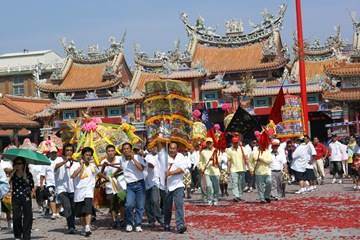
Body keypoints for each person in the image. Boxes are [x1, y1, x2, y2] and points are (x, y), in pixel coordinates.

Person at [70, 147, 99, 237]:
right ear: (82, 155)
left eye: (90, 155)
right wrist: (81, 166)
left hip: (88, 191)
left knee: (88, 209)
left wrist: (107, 178)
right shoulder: (75, 164)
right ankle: (84, 227)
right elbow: (73, 175)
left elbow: (98, 173)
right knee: (81, 213)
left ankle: (87, 226)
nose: (88, 157)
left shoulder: (92, 166)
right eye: (87, 155)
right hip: (79, 192)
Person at [120, 142, 146, 232]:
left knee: (140, 206)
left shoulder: (138, 157)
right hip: (130, 185)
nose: (126, 150)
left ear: (131, 149)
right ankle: (129, 223)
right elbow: (121, 169)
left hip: (140, 184)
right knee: (129, 204)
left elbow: (141, 168)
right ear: (122, 151)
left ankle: (138, 224)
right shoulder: (122, 159)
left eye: (128, 148)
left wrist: (133, 159)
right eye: (124, 149)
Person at [164, 142, 187, 234]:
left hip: (178, 185)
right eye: (170, 148)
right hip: (167, 186)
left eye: (174, 148)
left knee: (179, 205)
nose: (172, 150)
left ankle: (180, 225)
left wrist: (171, 172)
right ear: (168, 148)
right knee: (167, 207)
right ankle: (166, 223)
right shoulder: (164, 157)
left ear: (177, 149)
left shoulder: (181, 156)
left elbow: (182, 169)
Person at [54, 143, 76, 234]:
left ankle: (71, 225)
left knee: (72, 209)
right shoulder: (59, 159)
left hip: (73, 188)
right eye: (67, 150)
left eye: (71, 150)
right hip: (62, 188)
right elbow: (55, 167)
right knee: (67, 206)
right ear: (64, 151)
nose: (69, 152)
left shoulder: (75, 162)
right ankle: (71, 226)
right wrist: (64, 161)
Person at [10, 157, 34, 240]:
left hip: (26, 197)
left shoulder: (28, 174)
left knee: (28, 217)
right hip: (15, 197)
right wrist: (12, 173)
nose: (18, 165)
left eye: (20, 163)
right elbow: (7, 182)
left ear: (24, 165)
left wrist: (25, 176)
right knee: (16, 216)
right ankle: (17, 235)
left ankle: (26, 235)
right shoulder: (12, 173)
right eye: (16, 163)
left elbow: (31, 185)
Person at [100, 144, 122, 229]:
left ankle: (122, 219)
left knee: (121, 203)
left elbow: (122, 168)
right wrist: (103, 168)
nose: (111, 153)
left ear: (115, 151)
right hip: (109, 186)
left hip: (120, 185)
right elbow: (100, 173)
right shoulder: (103, 161)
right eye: (109, 151)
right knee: (112, 205)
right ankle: (114, 221)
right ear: (106, 152)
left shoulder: (120, 159)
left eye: (112, 151)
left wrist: (113, 174)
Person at [144, 145, 164, 228]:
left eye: (155, 147)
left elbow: (152, 166)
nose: (154, 148)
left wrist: (144, 160)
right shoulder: (147, 156)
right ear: (149, 148)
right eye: (152, 147)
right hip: (145, 182)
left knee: (155, 201)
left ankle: (160, 219)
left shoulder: (160, 155)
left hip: (155, 182)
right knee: (147, 203)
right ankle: (151, 220)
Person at [226, 135, 248, 202]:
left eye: (236, 142)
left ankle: (239, 195)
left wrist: (249, 167)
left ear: (238, 142)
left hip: (242, 168)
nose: (235, 144)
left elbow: (246, 158)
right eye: (234, 142)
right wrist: (228, 170)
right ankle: (236, 196)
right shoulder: (229, 150)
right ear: (232, 143)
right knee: (234, 183)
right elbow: (229, 160)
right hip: (233, 169)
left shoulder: (243, 149)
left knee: (242, 183)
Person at [199, 138, 220, 205]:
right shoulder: (203, 152)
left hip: (215, 171)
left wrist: (213, 159)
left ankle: (215, 199)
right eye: (207, 143)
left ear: (212, 143)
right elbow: (200, 162)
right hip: (207, 171)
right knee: (209, 186)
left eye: (210, 143)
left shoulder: (217, 151)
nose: (209, 144)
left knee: (216, 187)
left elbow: (219, 161)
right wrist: (201, 168)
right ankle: (209, 199)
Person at [43, 147, 59, 219]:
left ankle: (57, 212)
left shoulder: (60, 160)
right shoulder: (47, 162)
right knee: (51, 197)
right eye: (52, 153)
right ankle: (54, 213)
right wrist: (42, 183)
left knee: (58, 198)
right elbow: (43, 174)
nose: (54, 154)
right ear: (50, 153)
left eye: (55, 152)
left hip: (59, 183)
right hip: (50, 183)